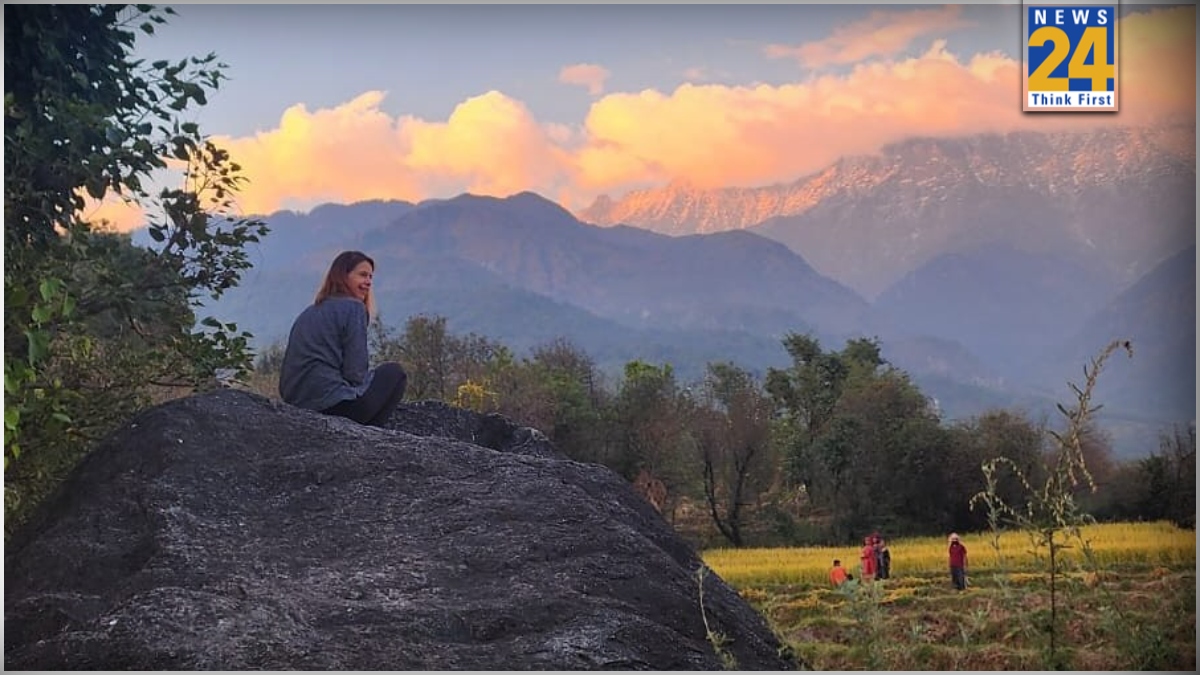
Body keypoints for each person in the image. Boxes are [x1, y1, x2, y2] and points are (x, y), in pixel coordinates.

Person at [279, 250, 408, 427]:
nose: (368, 282)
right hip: (334, 405)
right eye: (362, 275)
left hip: (298, 404)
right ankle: (372, 434)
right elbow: (355, 372)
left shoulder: (309, 312)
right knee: (395, 373)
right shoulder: (353, 308)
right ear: (343, 276)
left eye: (370, 277)